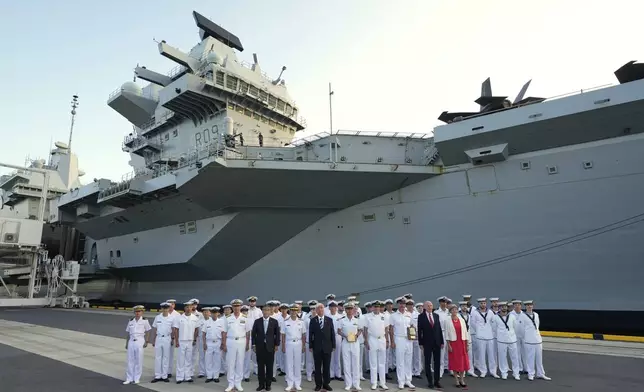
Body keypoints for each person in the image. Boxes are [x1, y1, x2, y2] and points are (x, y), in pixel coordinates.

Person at [223, 299, 252, 392]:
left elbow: (248, 332)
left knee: (240, 363)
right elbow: (224, 332)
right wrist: (224, 344)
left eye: (238, 306)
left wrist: (247, 344)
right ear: (232, 307)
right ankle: (230, 384)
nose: (236, 308)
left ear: (240, 307)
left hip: (242, 341)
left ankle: (238, 383)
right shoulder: (227, 318)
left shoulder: (245, 318)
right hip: (230, 341)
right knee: (230, 363)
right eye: (234, 306)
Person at [252, 302, 281, 391]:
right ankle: (261, 384)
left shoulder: (274, 321)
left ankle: (268, 384)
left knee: (269, 367)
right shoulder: (257, 321)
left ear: (270, 311)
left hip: (270, 347)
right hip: (260, 347)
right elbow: (253, 334)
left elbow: (277, 334)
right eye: (264, 310)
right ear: (262, 311)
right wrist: (253, 344)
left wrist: (276, 345)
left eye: (268, 310)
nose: (266, 311)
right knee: (260, 367)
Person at [521, 301, 552, 381]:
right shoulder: (522, 316)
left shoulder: (536, 315)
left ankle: (540, 374)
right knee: (530, 358)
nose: (529, 307)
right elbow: (521, 329)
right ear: (525, 307)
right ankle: (531, 374)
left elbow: (537, 326)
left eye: (530, 305)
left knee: (539, 358)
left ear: (533, 306)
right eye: (528, 305)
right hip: (529, 340)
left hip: (538, 339)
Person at [309, 302, 336, 391]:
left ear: (323, 309)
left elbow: (332, 333)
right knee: (317, 367)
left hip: (327, 347)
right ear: (316, 310)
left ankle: (326, 384)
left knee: (326, 367)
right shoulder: (313, 320)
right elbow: (310, 334)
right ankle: (318, 384)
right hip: (317, 347)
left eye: (321, 308)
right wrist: (311, 345)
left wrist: (333, 345)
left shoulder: (329, 320)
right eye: (318, 308)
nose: (320, 309)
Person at [363, 300, 389, 390]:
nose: (377, 308)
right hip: (372, 339)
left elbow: (386, 329)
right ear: (372, 308)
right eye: (375, 307)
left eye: (378, 307)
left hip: (382, 339)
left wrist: (387, 341)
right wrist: (366, 341)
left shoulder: (384, 316)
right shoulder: (368, 317)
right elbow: (365, 329)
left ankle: (382, 382)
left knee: (382, 362)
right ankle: (374, 382)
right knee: (373, 363)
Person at [173, 301, 201, 384]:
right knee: (180, 359)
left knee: (189, 359)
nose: (188, 309)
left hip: (190, 341)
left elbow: (196, 330)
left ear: (192, 308)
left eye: (190, 307)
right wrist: (176, 341)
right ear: (184, 308)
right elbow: (176, 330)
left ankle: (187, 376)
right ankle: (179, 377)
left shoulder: (195, 318)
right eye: (187, 307)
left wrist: (194, 339)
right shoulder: (179, 318)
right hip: (181, 341)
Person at [389, 297, 414, 390]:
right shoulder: (394, 316)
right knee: (400, 361)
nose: (402, 305)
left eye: (404, 303)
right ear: (398, 305)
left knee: (408, 360)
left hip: (408, 339)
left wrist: (412, 336)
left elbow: (411, 326)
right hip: (399, 339)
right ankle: (401, 381)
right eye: (400, 303)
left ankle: (408, 380)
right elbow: (391, 330)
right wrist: (392, 341)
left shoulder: (409, 314)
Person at [417, 301, 443, 390]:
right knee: (427, 362)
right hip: (427, 343)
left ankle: (437, 381)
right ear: (424, 307)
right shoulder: (421, 317)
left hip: (437, 342)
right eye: (428, 306)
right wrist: (420, 343)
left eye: (431, 305)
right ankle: (430, 381)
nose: (430, 307)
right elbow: (419, 331)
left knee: (437, 362)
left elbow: (439, 329)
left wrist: (442, 341)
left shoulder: (436, 316)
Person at [492, 302, 521, 380]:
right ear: (499, 308)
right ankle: (504, 372)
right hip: (501, 340)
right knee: (502, 357)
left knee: (514, 357)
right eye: (502, 307)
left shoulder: (512, 316)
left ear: (507, 307)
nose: (504, 308)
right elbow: (494, 328)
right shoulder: (495, 317)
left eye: (505, 306)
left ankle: (516, 373)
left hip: (512, 339)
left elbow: (516, 327)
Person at [445, 304, 471, 389]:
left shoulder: (461, 320)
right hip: (453, 343)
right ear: (450, 311)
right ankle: (456, 379)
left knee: (463, 362)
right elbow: (447, 334)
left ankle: (462, 379)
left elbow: (465, 333)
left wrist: (467, 344)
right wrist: (448, 345)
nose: (454, 311)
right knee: (455, 362)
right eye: (452, 310)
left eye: (456, 310)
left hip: (462, 342)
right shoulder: (447, 321)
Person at [123, 305, 151, 385]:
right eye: (136, 311)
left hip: (140, 341)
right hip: (131, 341)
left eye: (139, 311)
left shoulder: (145, 321)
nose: (137, 313)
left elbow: (148, 330)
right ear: (134, 312)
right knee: (130, 360)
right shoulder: (131, 321)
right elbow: (128, 333)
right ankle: (129, 378)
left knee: (138, 360)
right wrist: (126, 343)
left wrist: (147, 341)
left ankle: (136, 378)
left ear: (142, 312)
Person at [338, 302, 362, 391]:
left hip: (355, 343)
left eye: (351, 309)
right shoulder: (342, 320)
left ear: (353, 310)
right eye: (348, 309)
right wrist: (345, 336)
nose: (349, 310)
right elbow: (339, 331)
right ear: (345, 310)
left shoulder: (357, 320)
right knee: (346, 363)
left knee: (356, 363)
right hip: (346, 342)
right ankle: (348, 384)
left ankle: (356, 384)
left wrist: (357, 336)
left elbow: (360, 329)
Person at [470, 297, 497, 378]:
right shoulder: (475, 312)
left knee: (491, 355)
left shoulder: (490, 312)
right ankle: (483, 371)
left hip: (490, 336)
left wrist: (490, 330)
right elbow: (473, 323)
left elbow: (493, 322)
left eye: (484, 303)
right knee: (481, 355)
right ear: (479, 304)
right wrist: (479, 330)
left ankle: (493, 371)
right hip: (480, 336)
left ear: (486, 303)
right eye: (481, 303)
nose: (483, 304)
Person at [281, 304, 305, 391]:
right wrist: (283, 346)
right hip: (288, 344)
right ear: (289, 311)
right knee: (289, 364)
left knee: (297, 364)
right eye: (292, 310)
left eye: (295, 310)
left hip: (298, 343)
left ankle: (297, 383)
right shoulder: (285, 322)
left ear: (297, 311)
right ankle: (290, 383)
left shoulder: (301, 322)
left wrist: (303, 346)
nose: (294, 312)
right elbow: (283, 335)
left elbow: (303, 335)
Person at [151, 302, 173, 383]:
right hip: (159, 338)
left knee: (166, 357)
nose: (165, 310)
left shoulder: (172, 318)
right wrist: (153, 340)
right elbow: (154, 329)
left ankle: (164, 375)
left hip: (167, 338)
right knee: (158, 357)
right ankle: (157, 375)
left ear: (168, 309)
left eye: (166, 308)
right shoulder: (157, 317)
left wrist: (173, 339)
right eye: (163, 308)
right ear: (161, 309)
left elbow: (173, 329)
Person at [204, 306, 224, 383]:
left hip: (218, 342)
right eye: (212, 313)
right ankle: (209, 376)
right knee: (208, 360)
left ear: (218, 313)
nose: (214, 314)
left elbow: (223, 333)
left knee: (217, 360)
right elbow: (203, 334)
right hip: (209, 342)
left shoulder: (221, 322)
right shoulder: (207, 322)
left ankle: (216, 376)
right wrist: (204, 344)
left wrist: (223, 343)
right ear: (210, 314)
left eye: (215, 313)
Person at [458, 301, 477, 378]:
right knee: (461, 355)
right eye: (462, 306)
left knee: (470, 355)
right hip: (461, 337)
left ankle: (470, 370)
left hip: (468, 337)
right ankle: (461, 371)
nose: (464, 307)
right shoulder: (458, 316)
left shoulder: (469, 315)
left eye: (465, 306)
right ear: (460, 307)